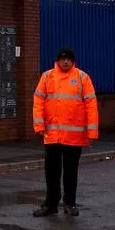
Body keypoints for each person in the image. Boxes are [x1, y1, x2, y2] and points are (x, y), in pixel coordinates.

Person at [32, 48, 98, 217]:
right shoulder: (47, 77)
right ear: (57, 61)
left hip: (74, 136)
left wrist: (92, 132)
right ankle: (51, 204)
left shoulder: (82, 78)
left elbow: (91, 105)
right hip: (52, 135)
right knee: (51, 172)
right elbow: (38, 101)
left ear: (73, 61)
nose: (65, 62)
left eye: (68, 59)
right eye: (63, 59)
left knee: (70, 172)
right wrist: (39, 126)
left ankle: (69, 203)